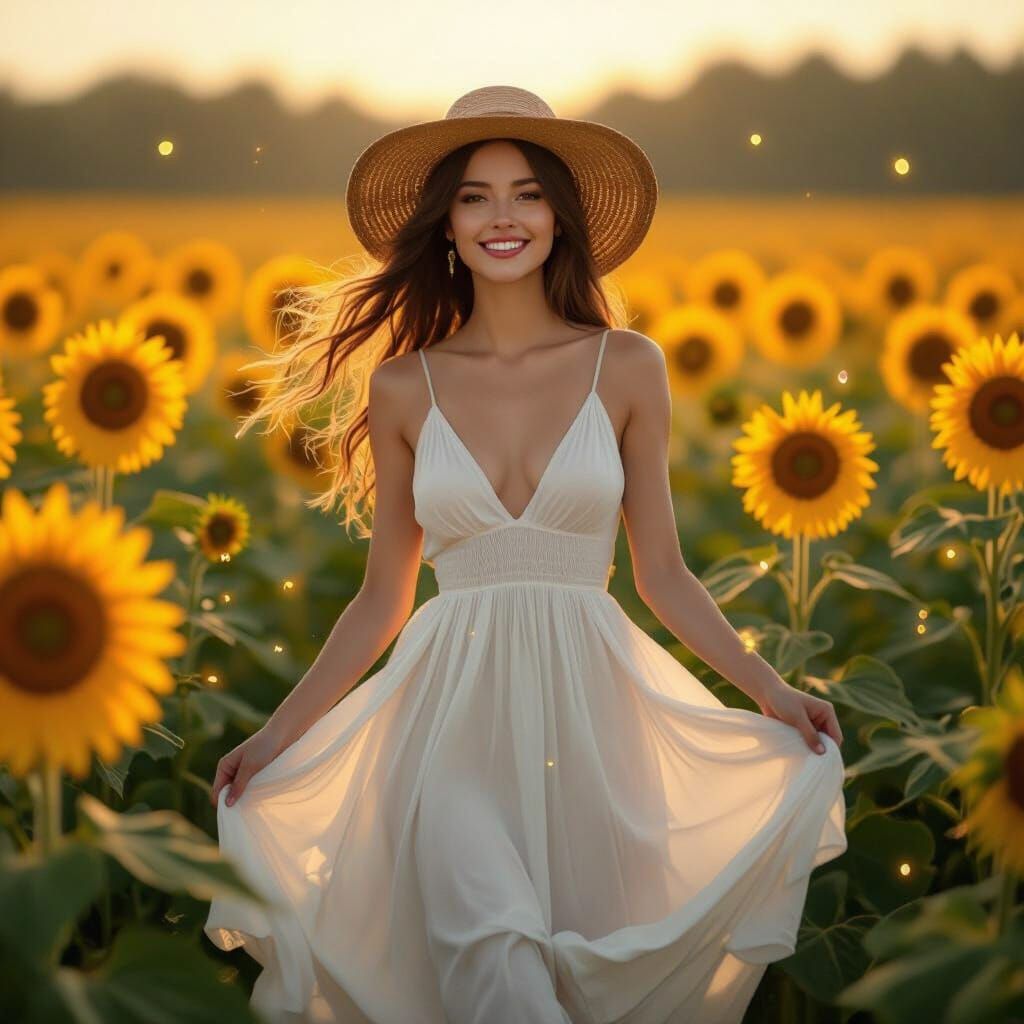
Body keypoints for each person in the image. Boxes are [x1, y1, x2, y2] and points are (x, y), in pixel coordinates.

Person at [204, 84, 847, 1024]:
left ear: (560, 216)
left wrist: (768, 689)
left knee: (581, 981)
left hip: (597, 723)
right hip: (443, 727)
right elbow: (383, 598)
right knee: (494, 965)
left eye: (527, 193)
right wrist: (274, 737)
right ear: (447, 226)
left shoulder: (628, 366)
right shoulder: (402, 387)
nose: (502, 216)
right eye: (474, 195)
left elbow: (659, 573)